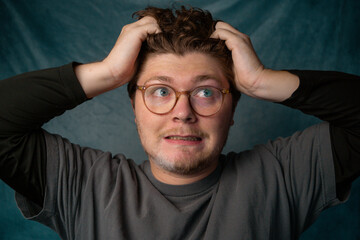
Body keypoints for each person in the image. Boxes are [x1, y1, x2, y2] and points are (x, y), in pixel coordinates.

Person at [0, 5, 359, 240]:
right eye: (159, 91)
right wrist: (108, 72)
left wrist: (262, 80)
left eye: (205, 92)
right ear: (134, 105)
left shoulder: (284, 175)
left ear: (232, 108)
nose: (182, 112)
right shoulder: (82, 184)